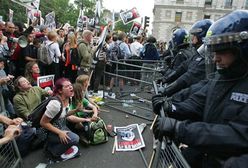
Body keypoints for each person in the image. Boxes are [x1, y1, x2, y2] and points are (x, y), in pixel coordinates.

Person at [152, 10, 248, 167]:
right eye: (215, 51)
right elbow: (198, 100)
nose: (215, 57)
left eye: (222, 51)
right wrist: (172, 105)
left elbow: (238, 135)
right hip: (205, 154)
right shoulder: (222, 77)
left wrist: (181, 129)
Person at [39, 78, 80, 161]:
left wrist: (76, 110)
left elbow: (63, 114)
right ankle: (52, 152)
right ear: (60, 91)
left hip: (59, 125)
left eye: (70, 85)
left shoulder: (68, 98)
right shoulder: (55, 104)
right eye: (67, 86)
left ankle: (52, 144)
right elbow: (43, 123)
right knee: (75, 139)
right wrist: (60, 132)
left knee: (71, 139)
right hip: (46, 131)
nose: (71, 87)